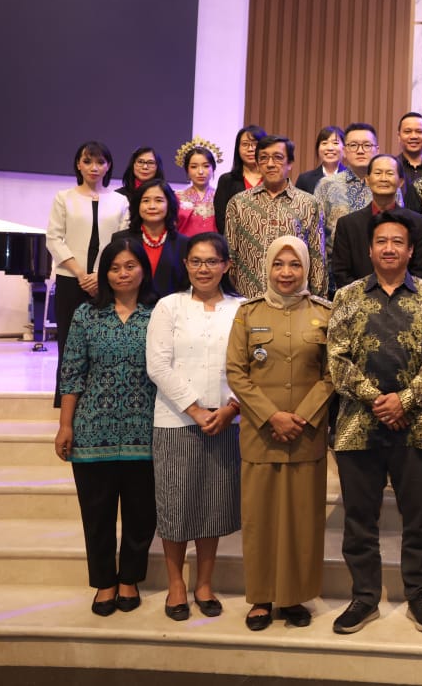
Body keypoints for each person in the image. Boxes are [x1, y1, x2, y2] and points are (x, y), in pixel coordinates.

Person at [327, 209, 422, 635]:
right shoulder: (347, 296)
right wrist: (378, 400)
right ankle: (364, 598)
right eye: (382, 241)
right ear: (370, 249)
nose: (389, 248)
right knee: (359, 521)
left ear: (411, 250)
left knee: (420, 520)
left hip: (417, 428)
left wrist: (405, 401)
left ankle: (420, 596)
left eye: (398, 242)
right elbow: (336, 360)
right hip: (357, 426)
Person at [226, 236, 335, 631]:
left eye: (294, 265)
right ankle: (261, 597)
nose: (286, 273)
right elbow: (236, 371)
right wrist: (272, 416)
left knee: (303, 520)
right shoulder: (247, 313)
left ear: (306, 268)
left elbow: (332, 373)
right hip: (262, 434)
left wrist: (301, 417)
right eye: (278, 264)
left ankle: (293, 597)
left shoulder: (325, 313)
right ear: (267, 268)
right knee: (260, 519)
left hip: (306, 435)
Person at [53, 238, 157, 617]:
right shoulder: (86, 315)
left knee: (141, 512)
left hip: (145, 430)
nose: (122, 274)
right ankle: (104, 582)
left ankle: (130, 578)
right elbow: (72, 372)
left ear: (143, 269)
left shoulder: (159, 314)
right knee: (96, 514)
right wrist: (65, 425)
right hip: (93, 429)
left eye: (130, 266)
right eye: (114, 268)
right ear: (104, 273)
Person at [144, 232, 243, 621]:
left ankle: (204, 583)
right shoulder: (169, 306)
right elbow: (157, 364)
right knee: (175, 504)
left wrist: (231, 408)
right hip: (175, 419)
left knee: (212, 503)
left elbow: (249, 365)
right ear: (185, 264)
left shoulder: (241, 308)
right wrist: (196, 409)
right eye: (196, 261)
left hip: (226, 420)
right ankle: (176, 584)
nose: (204, 269)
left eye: (212, 261)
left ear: (226, 265)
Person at [47, 141, 131, 407]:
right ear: (78, 165)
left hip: (106, 281)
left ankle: (99, 402)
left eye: (100, 162)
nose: (94, 167)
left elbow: (121, 240)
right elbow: (54, 238)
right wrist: (82, 274)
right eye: (87, 161)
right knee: (69, 342)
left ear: (108, 166)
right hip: (71, 279)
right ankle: (66, 406)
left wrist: (99, 274)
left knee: (104, 342)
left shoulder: (120, 201)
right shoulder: (64, 198)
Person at [225, 135, 327, 299]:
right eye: (264, 158)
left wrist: (317, 302)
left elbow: (317, 260)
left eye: (278, 157)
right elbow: (231, 256)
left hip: (294, 303)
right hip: (248, 301)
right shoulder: (238, 203)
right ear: (257, 164)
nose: (270, 164)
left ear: (290, 163)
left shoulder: (309, 204)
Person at [330, 154, 422, 291]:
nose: (383, 178)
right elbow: (341, 271)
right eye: (378, 173)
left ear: (401, 181)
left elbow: (421, 271)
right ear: (367, 180)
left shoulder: (419, 223)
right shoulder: (347, 224)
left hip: (407, 300)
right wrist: (365, 297)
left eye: (389, 173)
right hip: (358, 300)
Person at [315, 122, 388, 252]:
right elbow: (316, 232)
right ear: (344, 151)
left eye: (367, 145)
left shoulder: (388, 184)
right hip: (336, 260)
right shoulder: (326, 185)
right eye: (353, 145)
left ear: (377, 150)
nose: (360, 151)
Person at [112, 179, 189, 296]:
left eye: (159, 200)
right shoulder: (120, 239)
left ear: (169, 204)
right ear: (137, 205)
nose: (152, 206)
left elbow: (185, 285)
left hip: (171, 306)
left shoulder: (184, 243)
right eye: (146, 201)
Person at [214, 125, 266, 239]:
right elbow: (221, 219)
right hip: (235, 243)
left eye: (255, 144)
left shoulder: (271, 180)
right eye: (245, 144)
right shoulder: (227, 180)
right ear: (238, 148)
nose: (250, 149)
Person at [175, 138, 224, 237]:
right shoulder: (176, 197)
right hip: (185, 246)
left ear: (213, 168)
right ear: (187, 170)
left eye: (206, 166)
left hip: (214, 245)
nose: (200, 171)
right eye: (194, 167)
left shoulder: (221, 197)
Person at [295, 125, 346, 194]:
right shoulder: (304, 180)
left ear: (344, 149)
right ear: (318, 149)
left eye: (335, 143)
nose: (330, 148)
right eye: (324, 143)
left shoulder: (354, 179)